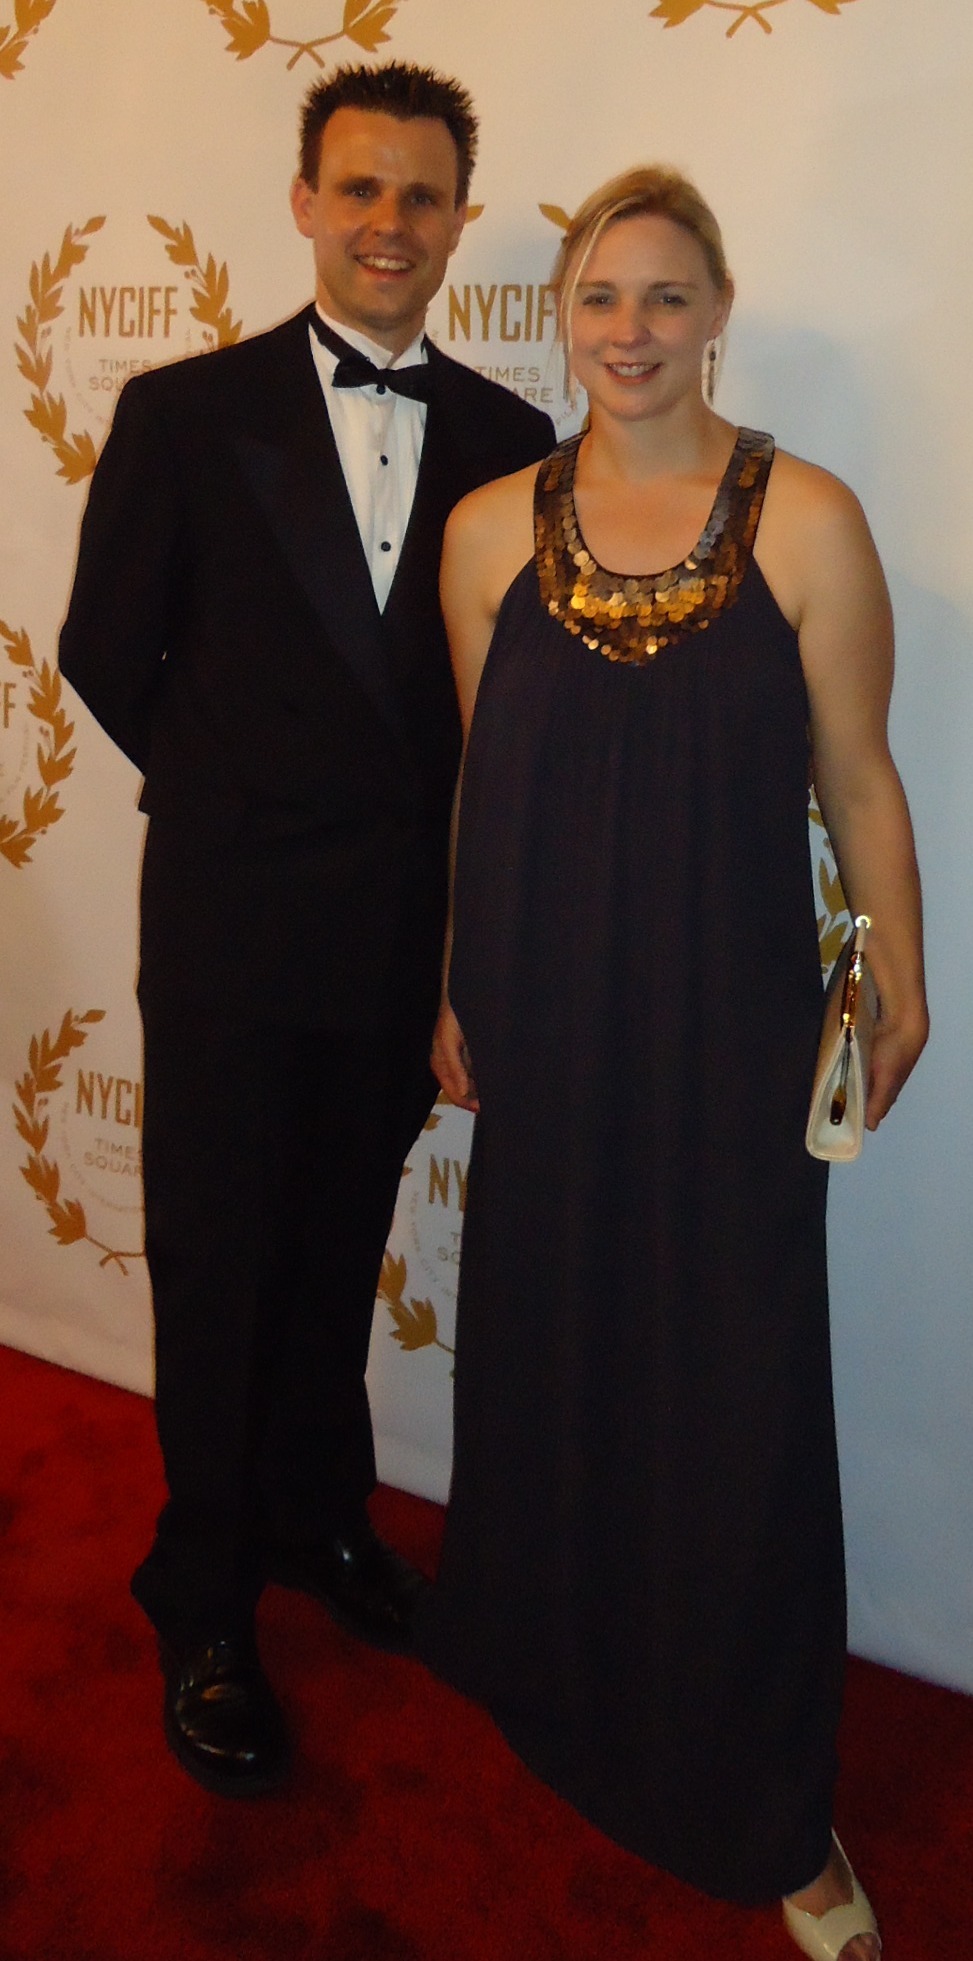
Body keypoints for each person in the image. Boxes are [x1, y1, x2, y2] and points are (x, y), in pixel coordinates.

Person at [424, 166, 927, 1960]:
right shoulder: (486, 528)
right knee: (556, 1345)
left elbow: (859, 778)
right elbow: (486, 778)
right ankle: (551, 1672)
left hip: (726, 1022)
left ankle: (767, 1799)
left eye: (661, 296)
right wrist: (457, 979)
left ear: (717, 310)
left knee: (732, 1391)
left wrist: (894, 974)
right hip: (545, 1008)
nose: (625, 332)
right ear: (561, 317)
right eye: (596, 297)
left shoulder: (808, 518)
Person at [58, 61, 554, 1798]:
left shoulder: (513, 443)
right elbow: (105, 652)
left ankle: (315, 1522)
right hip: (229, 928)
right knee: (219, 1266)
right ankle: (199, 1596)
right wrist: (242, 796)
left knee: (337, 1249)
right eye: (359, 188)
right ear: (302, 200)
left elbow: (511, 708)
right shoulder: (186, 412)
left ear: (457, 219)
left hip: (397, 946)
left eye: (422, 195)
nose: (388, 224)